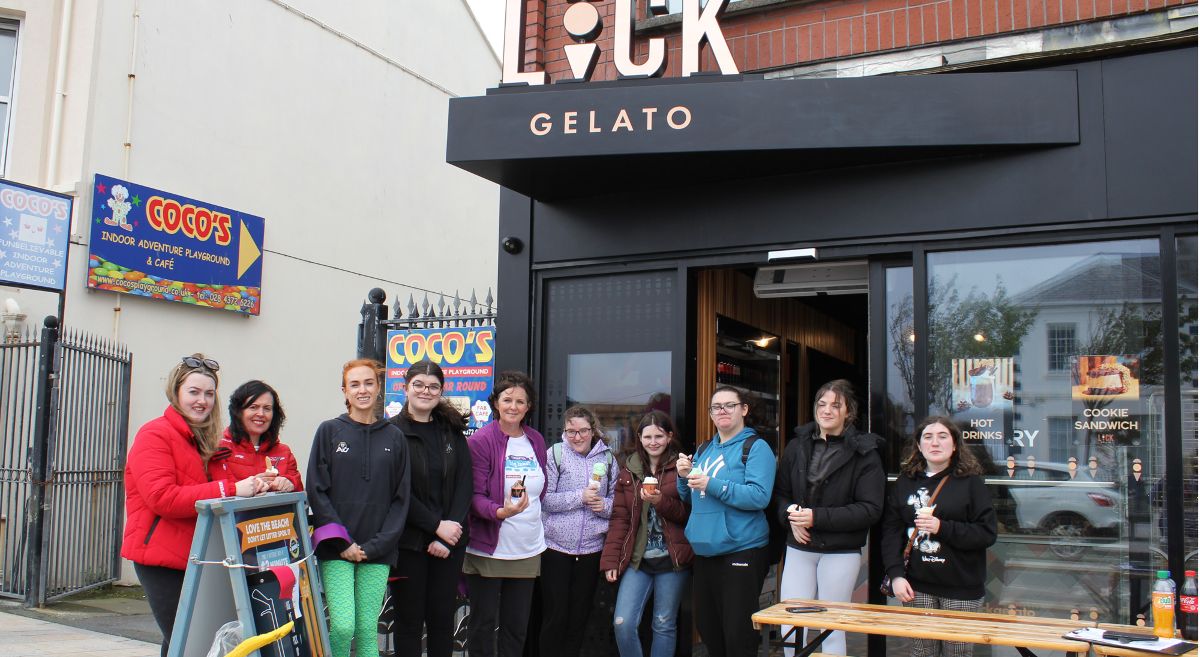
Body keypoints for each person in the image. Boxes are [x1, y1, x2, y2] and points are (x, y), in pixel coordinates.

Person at [121, 355, 267, 657]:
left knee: (182, 641)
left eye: (209, 394)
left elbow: (219, 486)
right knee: (187, 641)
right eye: (194, 392)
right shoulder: (155, 434)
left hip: (197, 555)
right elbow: (162, 497)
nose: (202, 401)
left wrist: (264, 483)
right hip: (160, 558)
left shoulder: (204, 438)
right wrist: (231, 488)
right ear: (177, 392)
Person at [307, 359, 411, 657]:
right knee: (342, 626)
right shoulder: (329, 431)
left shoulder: (395, 437)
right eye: (355, 384)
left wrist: (376, 545)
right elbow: (316, 490)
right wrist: (343, 542)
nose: (362, 390)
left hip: (376, 552)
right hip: (336, 548)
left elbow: (400, 500)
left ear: (379, 388)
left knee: (367, 630)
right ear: (345, 390)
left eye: (368, 383)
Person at [773, 379, 884, 657]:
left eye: (836, 405)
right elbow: (780, 494)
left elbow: (870, 509)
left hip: (840, 551)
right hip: (799, 548)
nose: (827, 410)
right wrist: (791, 519)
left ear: (849, 412)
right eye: (821, 404)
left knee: (832, 627)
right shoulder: (797, 446)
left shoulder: (865, 454)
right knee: (791, 624)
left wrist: (815, 517)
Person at [882, 416, 997, 657]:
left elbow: (987, 533)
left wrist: (941, 527)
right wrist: (896, 575)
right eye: (928, 437)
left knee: (957, 653)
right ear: (919, 445)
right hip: (916, 586)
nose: (935, 443)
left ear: (954, 445)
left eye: (943, 437)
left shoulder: (971, 483)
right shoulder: (905, 482)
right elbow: (891, 533)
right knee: (922, 652)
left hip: (961, 588)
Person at [677, 385, 775, 657]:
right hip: (706, 549)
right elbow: (688, 495)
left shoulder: (755, 447)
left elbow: (759, 497)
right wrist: (683, 475)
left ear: (744, 409)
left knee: (738, 634)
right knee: (710, 629)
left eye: (729, 405)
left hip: (741, 548)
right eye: (716, 407)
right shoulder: (705, 448)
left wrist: (713, 483)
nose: (722, 411)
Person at [387, 360, 473, 657]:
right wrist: (435, 526)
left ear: (441, 391)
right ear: (405, 388)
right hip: (408, 544)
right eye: (419, 385)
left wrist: (447, 533)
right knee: (409, 623)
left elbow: (465, 485)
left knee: (441, 622)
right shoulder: (391, 433)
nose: (426, 391)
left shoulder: (451, 432)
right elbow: (397, 492)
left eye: (433, 386)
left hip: (449, 543)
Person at [464, 371, 548, 657]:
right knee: (483, 625)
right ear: (496, 402)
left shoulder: (536, 440)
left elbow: (540, 488)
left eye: (520, 401)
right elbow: (472, 497)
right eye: (507, 399)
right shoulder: (481, 441)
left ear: (529, 406)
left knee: (516, 628)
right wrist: (500, 511)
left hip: (527, 548)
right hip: (490, 548)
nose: (513, 406)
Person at [602, 410, 693, 657]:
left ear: (670, 436)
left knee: (664, 624)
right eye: (647, 436)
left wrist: (660, 501)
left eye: (659, 436)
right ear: (639, 438)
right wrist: (611, 559)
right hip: (637, 559)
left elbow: (689, 514)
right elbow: (620, 518)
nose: (653, 442)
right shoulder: (628, 469)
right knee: (623, 623)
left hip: (673, 559)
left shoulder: (682, 467)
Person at [539, 405, 615, 657]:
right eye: (571, 431)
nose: (577, 437)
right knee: (555, 616)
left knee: (579, 617)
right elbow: (545, 500)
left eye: (583, 430)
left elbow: (619, 503)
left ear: (593, 430)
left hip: (592, 549)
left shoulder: (607, 458)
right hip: (555, 549)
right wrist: (579, 497)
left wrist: (603, 505)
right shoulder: (555, 454)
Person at [208, 379, 303, 493]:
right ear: (238, 412)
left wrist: (290, 483)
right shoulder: (219, 448)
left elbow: (300, 495)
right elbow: (219, 493)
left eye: (267, 408)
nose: (261, 414)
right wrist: (250, 486)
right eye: (253, 407)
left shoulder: (284, 452)